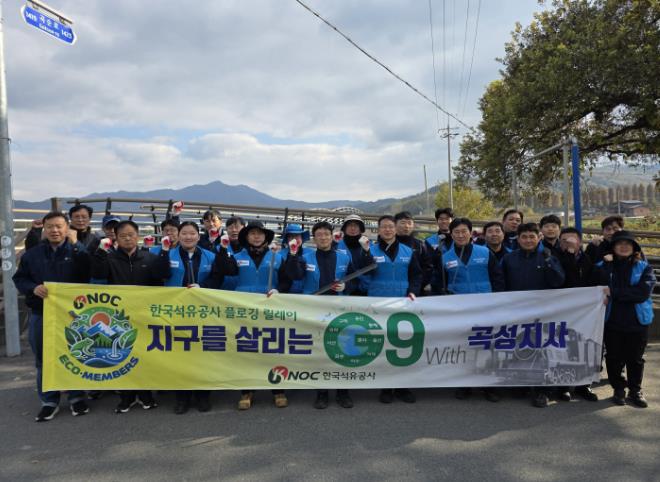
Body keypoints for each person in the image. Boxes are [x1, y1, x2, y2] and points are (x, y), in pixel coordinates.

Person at [12, 212, 92, 422]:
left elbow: (89, 272)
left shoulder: (77, 251)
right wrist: (33, 287)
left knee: (75, 355)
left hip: (73, 315)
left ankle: (77, 397)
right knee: (43, 358)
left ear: (67, 228)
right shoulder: (33, 255)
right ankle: (49, 400)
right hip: (42, 313)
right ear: (44, 229)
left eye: (59, 226)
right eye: (50, 227)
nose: (54, 230)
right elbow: (20, 279)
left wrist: (77, 246)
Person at [285, 221, 369, 409]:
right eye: (319, 235)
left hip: (339, 310)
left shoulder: (344, 257)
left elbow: (355, 281)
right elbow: (295, 275)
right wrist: (293, 255)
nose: (323, 237)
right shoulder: (305, 256)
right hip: (313, 310)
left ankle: (343, 392)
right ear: (314, 238)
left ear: (332, 237)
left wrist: (346, 285)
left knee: (342, 349)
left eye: (326, 234)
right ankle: (321, 393)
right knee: (320, 352)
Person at [91, 220, 171, 413]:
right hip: (118, 316)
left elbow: (161, 278)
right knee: (122, 354)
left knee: (143, 355)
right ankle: (126, 396)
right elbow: (98, 274)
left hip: (144, 314)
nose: (127, 238)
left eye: (131, 235)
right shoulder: (109, 257)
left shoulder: (149, 258)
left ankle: (145, 394)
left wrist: (164, 253)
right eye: (123, 236)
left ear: (138, 236)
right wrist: (100, 252)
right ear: (116, 238)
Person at [215, 221, 288, 410]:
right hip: (245, 309)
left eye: (260, 233)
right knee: (247, 350)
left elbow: (287, 280)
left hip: (270, 310)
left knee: (272, 349)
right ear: (246, 237)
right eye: (252, 233)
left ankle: (277, 390)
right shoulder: (237, 257)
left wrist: (279, 290)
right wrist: (223, 249)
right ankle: (247, 391)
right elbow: (225, 270)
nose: (256, 236)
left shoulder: (277, 256)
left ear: (266, 237)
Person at [501, 222, 565, 408]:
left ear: (539, 237)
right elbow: (501, 283)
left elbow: (558, 281)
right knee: (519, 349)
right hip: (516, 312)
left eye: (532, 236)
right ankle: (521, 385)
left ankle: (542, 390)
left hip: (542, 313)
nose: (528, 240)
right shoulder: (509, 258)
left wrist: (549, 261)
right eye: (524, 237)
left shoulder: (548, 256)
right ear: (518, 238)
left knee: (541, 351)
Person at [442, 218, 505, 402]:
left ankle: (489, 386)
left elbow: (497, 278)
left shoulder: (484, 252)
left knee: (487, 346)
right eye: (456, 232)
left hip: (485, 307)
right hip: (459, 309)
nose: (460, 235)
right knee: (463, 346)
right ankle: (464, 384)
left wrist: (498, 300)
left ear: (471, 233)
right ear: (451, 234)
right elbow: (439, 282)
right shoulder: (445, 257)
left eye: (464, 231)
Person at [366, 215, 422, 404]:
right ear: (378, 230)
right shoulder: (370, 250)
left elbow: (416, 275)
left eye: (391, 226)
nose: (388, 230)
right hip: (378, 303)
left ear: (395, 229)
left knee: (402, 344)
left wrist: (413, 291)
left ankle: (402, 386)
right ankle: (385, 386)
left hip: (402, 303)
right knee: (383, 345)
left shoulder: (408, 251)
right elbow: (363, 275)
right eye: (384, 227)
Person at [598, 231, 656, 408]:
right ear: (613, 247)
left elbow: (642, 293)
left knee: (635, 358)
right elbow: (597, 285)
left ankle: (635, 390)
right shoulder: (603, 265)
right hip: (612, 320)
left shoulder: (644, 267)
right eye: (619, 244)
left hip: (637, 321)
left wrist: (614, 293)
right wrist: (606, 265)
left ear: (634, 248)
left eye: (628, 244)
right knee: (613, 357)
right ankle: (618, 388)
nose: (624, 247)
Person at [555, 227, 602, 402]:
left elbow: (594, 279)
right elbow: (567, 279)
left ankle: (584, 385)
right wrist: (568, 256)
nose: (568, 243)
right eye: (564, 240)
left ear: (580, 242)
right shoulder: (556, 258)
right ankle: (564, 386)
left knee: (586, 346)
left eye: (572, 240)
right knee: (563, 348)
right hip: (563, 310)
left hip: (585, 311)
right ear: (559, 243)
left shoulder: (587, 259)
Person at [394, 211, 433, 293]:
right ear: (395, 224)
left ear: (413, 225)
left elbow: (428, 267)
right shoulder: (390, 244)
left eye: (409, 223)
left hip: (416, 290)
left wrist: (417, 286)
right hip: (393, 288)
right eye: (403, 223)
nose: (406, 226)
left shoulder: (420, 245)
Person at [335, 214, 372, 295]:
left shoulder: (369, 245)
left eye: (356, 225)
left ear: (361, 229)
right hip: (344, 289)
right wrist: (332, 243)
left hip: (366, 289)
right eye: (349, 225)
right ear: (344, 228)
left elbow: (373, 267)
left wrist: (367, 251)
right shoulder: (337, 245)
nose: (353, 228)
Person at [278, 224, 310, 294]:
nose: (295, 239)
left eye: (297, 236)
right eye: (291, 236)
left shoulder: (311, 253)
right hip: (285, 293)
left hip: (306, 293)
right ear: (287, 239)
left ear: (301, 238)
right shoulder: (279, 255)